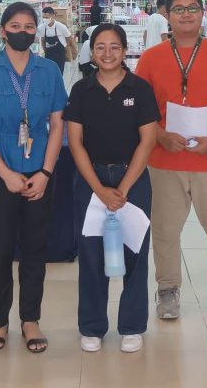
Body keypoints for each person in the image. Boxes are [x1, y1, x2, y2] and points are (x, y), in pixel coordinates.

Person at [135, 0, 207, 324]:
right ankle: (167, 289)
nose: (186, 14)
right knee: (165, 231)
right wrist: (160, 135)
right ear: (167, 16)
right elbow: (142, 110)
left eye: (193, 8)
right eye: (179, 9)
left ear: (203, 14)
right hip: (164, 159)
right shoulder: (151, 58)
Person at [0, 2, 67, 355]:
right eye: (15, 25)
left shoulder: (49, 71)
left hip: (39, 172)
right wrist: (6, 173)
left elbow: (57, 125)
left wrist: (46, 172)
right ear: (3, 30)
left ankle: (30, 320)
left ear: (36, 31)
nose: (21, 31)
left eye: (28, 26)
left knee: (36, 247)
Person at [65, 24, 160, 354]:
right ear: (92, 52)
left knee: (135, 252)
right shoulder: (81, 91)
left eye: (114, 47)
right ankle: (92, 326)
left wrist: (122, 187)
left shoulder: (141, 89)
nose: (107, 53)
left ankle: (132, 326)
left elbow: (147, 142)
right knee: (90, 255)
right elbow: (75, 143)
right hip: (90, 182)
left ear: (124, 50)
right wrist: (100, 189)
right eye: (100, 47)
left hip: (132, 181)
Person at [39, 6, 71, 75]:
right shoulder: (42, 27)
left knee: (59, 73)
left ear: (53, 16)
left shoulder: (61, 27)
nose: (45, 19)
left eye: (47, 17)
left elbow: (68, 38)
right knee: (49, 74)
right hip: (48, 54)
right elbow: (42, 40)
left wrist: (66, 47)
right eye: (43, 17)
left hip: (60, 54)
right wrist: (45, 50)